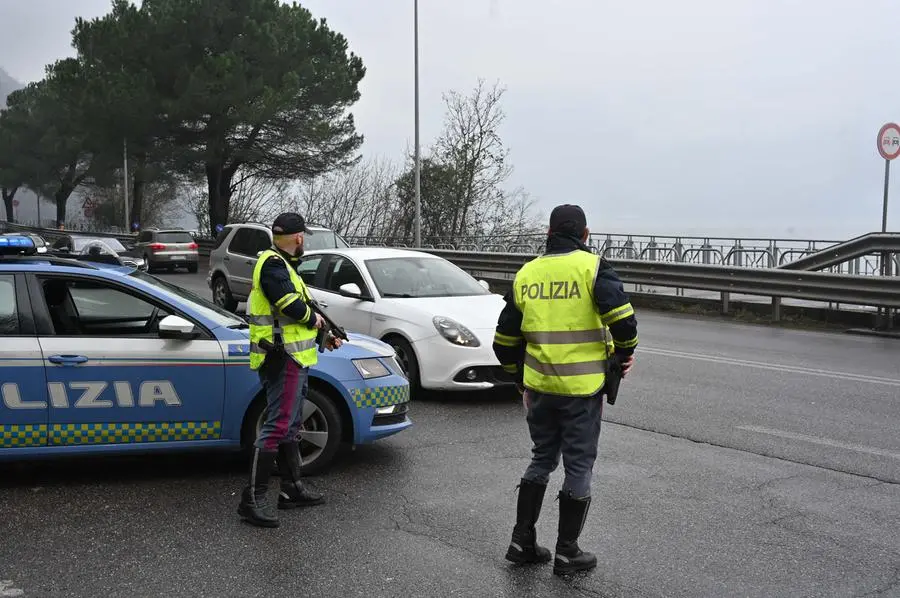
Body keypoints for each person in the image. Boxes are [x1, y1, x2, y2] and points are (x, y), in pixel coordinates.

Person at [492, 204, 638, 575]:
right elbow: (624, 323)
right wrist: (623, 357)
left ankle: (521, 540)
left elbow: (503, 341)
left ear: (549, 233)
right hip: (582, 391)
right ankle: (567, 552)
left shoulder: (527, 273)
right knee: (578, 465)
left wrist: (518, 377)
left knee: (542, 458)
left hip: (539, 389)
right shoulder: (593, 267)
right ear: (585, 234)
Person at [238, 212, 343, 528]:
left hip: (292, 358)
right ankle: (252, 500)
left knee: (290, 425)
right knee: (278, 425)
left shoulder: (284, 267)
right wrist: (315, 321)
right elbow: (289, 306)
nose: (303, 241)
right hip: (281, 358)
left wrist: (327, 335)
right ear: (296, 237)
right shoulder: (272, 264)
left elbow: (298, 312)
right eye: (302, 237)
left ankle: (291, 488)